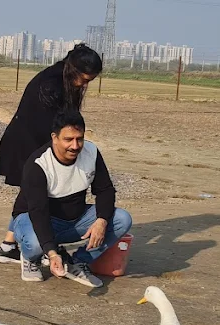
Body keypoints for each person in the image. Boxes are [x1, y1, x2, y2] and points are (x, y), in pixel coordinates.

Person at [0, 43, 103, 264]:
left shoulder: (62, 78)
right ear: (73, 68)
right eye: (84, 79)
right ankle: (29, 246)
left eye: (89, 80)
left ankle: (8, 245)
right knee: (34, 194)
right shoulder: (51, 84)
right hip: (27, 142)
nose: (84, 84)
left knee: (29, 194)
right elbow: (54, 126)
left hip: (37, 139)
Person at [9, 110, 131, 289]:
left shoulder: (91, 153)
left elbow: (105, 190)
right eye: (68, 139)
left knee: (122, 219)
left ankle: (78, 262)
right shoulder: (38, 165)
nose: (75, 146)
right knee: (35, 244)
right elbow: (39, 212)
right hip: (37, 219)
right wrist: (51, 253)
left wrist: (101, 221)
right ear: (54, 137)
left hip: (75, 219)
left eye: (79, 138)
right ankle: (30, 257)